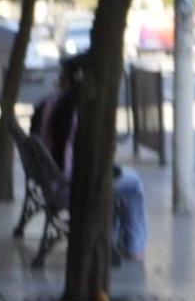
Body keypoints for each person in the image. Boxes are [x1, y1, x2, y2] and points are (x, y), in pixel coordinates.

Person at [31, 55, 148, 262]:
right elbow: (89, 155)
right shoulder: (77, 108)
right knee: (134, 183)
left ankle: (116, 238)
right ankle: (134, 247)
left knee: (125, 180)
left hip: (51, 182)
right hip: (71, 185)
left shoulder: (50, 103)